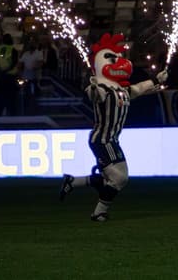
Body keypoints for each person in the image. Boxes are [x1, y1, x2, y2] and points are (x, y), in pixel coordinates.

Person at [59, 33, 167, 221]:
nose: (118, 61)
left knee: (116, 178)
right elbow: (94, 95)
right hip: (102, 139)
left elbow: (139, 89)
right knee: (119, 179)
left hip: (111, 140)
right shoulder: (102, 87)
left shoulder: (121, 90)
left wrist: (156, 80)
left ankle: (73, 181)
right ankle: (99, 212)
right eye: (111, 58)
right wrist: (91, 85)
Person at [0, 34, 19, 116]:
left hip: (1, 77)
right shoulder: (13, 50)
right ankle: (12, 115)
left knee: (1, 97)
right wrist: (7, 70)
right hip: (10, 77)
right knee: (11, 97)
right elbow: (14, 62)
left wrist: (0, 71)